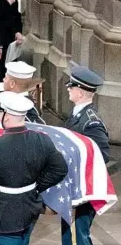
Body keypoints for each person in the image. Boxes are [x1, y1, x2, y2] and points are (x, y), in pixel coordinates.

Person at [0, 91, 68, 245]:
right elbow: (60, 169)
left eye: (0, 112)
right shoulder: (42, 140)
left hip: (2, 218)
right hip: (30, 209)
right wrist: (35, 187)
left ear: (6, 116)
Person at [61, 66, 110, 245]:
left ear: (79, 93)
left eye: (71, 87)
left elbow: (102, 155)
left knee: (77, 237)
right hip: (74, 185)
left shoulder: (91, 122)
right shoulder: (78, 115)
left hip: (83, 187)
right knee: (71, 236)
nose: (68, 89)